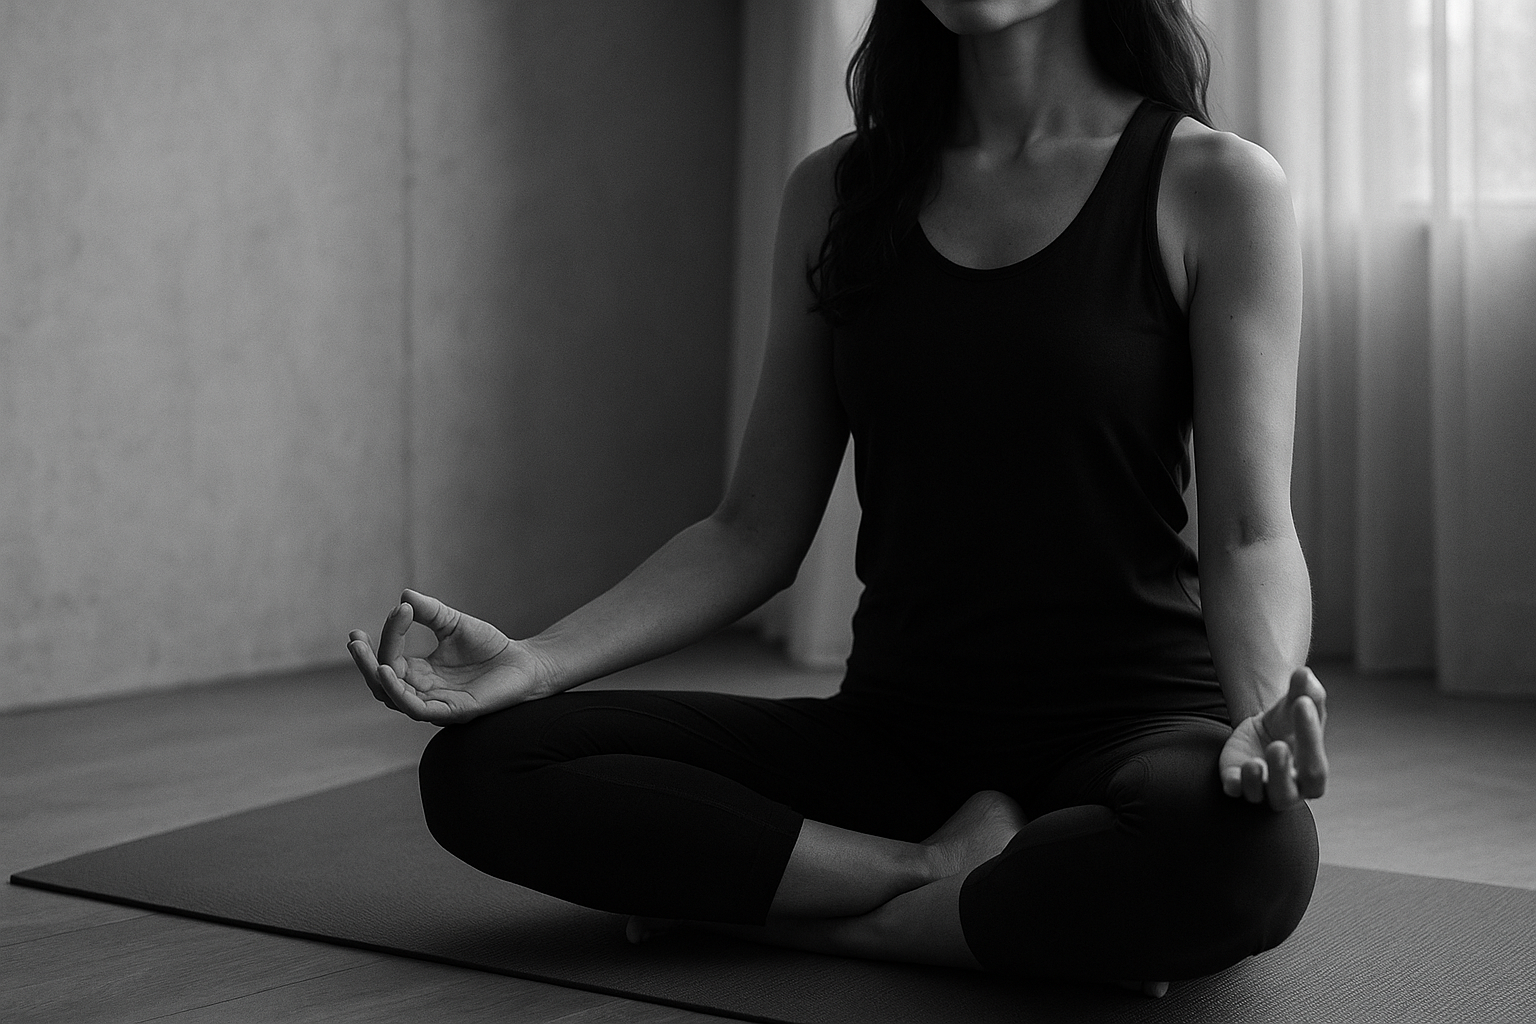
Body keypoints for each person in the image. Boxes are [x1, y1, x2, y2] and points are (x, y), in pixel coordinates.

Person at [347, 0, 1327, 997]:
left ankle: (818, 921)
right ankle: (938, 876)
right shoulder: (837, 190)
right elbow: (751, 531)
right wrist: (535, 660)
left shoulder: (1213, 184)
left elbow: (1251, 535)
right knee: (483, 769)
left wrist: (1258, 714)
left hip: (1132, 727)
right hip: (896, 742)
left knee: (1250, 853)